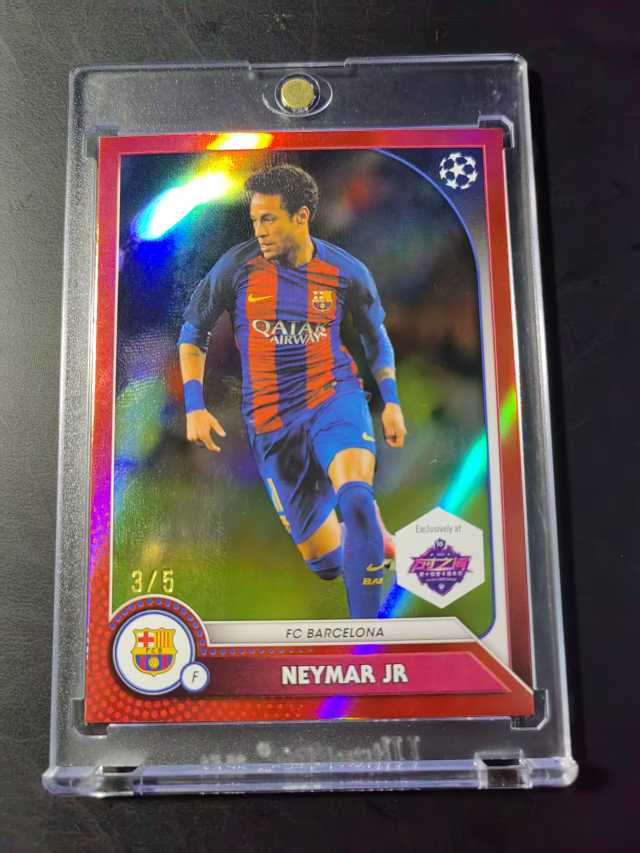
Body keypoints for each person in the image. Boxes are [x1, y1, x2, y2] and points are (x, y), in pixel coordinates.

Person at [178, 164, 407, 618]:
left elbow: (374, 336)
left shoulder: (345, 270)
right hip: (272, 423)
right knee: (327, 564)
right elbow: (192, 333)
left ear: (301, 216)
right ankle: (367, 537)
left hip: (334, 398)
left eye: (269, 218)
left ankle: (369, 637)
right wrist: (194, 406)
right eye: (254, 220)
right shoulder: (236, 267)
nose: (259, 230)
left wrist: (391, 402)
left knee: (356, 497)